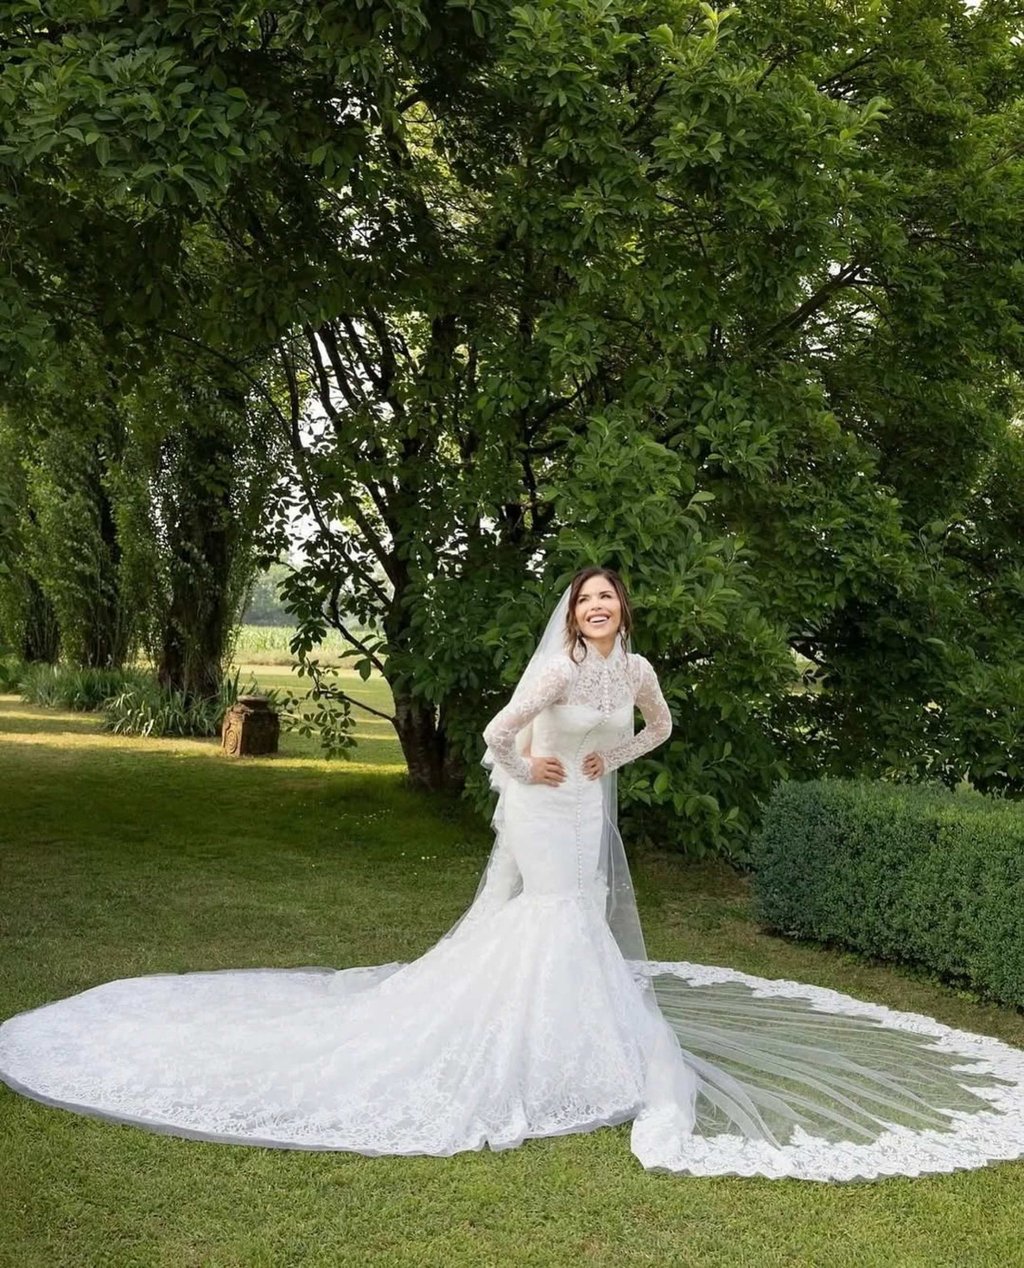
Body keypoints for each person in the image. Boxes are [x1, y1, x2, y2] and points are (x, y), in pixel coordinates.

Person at [1, 566, 1024, 1180]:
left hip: (586, 796)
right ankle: (532, 1045)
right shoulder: (554, 669)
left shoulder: (635, 672)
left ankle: (581, 1044)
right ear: (571, 613)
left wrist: (606, 758)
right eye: (585, 598)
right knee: (556, 914)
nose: (596, 609)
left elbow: (657, 728)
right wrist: (526, 760)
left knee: (575, 918)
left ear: (623, 612)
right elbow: (494, 733)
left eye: (607, 598)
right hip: (540, 805)